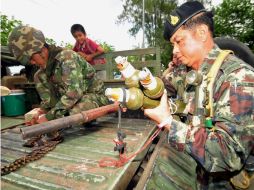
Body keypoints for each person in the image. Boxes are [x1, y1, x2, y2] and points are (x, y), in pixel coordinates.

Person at [144, 1, 254, 189]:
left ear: (202, 33)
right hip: (198, 167)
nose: (175, 51)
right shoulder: (190, 71)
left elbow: (228, 155)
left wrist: (168, 122)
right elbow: (162, 85)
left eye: (179, 41)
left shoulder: (239, 77)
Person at [8, 25, 109, 124]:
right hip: (71, 101)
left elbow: (74, 93)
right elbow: (48, 102)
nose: (32, 63)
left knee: (73, 114)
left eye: (31, 58)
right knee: (62, 113)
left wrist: (49, 117)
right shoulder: (40, 75)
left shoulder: (67, 57)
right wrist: (41, 112)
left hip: (93, 96)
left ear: (42, 50)